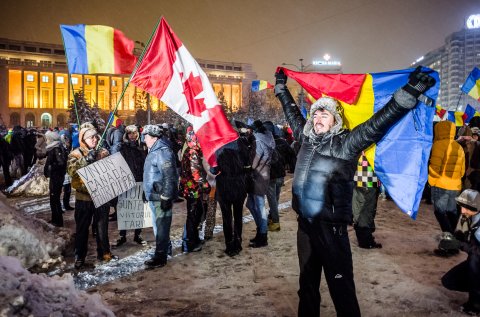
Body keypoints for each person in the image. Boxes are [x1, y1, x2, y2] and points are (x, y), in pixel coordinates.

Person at [274, 67, 435, 316]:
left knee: (342, 290)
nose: (318, 118)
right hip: (305, 226)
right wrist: (281, 89)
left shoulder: (345, 144)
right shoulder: (305, 139)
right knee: (306, 286)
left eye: (324, 114)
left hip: (332, 230)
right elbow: (292, 112)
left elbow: (376, 124)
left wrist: (408, 93)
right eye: (315, 114)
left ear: (335, 120)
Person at [67, 124, 117, 269]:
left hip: (102, 197)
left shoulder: (103, 152)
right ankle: (80, 258)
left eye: (96, 136)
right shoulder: (75, 154)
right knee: (82, 229)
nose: (94, 139)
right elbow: (72, 172)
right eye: (91, 137)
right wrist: (85, 160)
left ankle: (105, 253)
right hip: (84, 199)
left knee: (102, 228)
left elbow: (112, 172)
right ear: (83, 139)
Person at [142, 125, 178, 268]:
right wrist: (146, 191)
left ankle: (160, 257)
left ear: (154, 138)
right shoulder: (155, 150)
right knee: (159, 226)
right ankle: (163, 251)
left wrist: (165, 197)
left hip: (161, 196)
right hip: (155, 194)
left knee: (162, 228)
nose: (144, 139)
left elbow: (170, 176)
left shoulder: (162, 152)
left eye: (146, 137)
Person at [441, 189, 480, 315]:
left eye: (466, 208)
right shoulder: (469, 216)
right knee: (449, 280)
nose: (462, 211)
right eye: (462, 206)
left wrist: (460, 245)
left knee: (475, 262)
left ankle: (476, 305)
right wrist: (452, 239)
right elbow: (463, 237)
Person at [429, 120, 465, 253]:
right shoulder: (459, 147)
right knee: (451, 213)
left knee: (440, 212)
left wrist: (431, 182)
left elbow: (434, 168)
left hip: (441, 184)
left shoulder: (438, 145)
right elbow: (462, 171)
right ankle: (457, 242)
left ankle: (450, 242)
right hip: (455, 185)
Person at [116, 125, 147, 246]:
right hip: (126, 181)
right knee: (124, 208)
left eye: (134, 133)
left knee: (138, 208)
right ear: (126, 135)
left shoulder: (142, 146)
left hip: (139, 180)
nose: (132, 136)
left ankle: (137, 235)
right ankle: (122, 235)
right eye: (130, 134)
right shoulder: (122, 147)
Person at [180, 128, 210, 252]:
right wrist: (206, 185)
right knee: (193, 216)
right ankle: (188, 243)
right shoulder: (193, 152)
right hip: (193, 189)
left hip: (192, 188)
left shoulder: (191, 150)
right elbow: (196, 173)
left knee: (196, 215)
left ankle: (194, 239)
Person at [246, 120, 275, 248]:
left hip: (258, 176)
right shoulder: (268, 139)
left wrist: (248, 166)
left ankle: (262, 235)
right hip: (264, 174)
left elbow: (256, 160)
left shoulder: (258, 140)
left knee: (259, 205)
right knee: (252, 204)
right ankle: (260, 231)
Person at [352, 152, 382, 249]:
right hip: (367, 174)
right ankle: (365, 240)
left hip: (361, 173)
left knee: (361, 207)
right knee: (366, 209)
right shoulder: (369, 138)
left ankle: (365, 237)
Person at [44, 131, 67, 227]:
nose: (46, 140)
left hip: (56, 177)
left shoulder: (56, 148)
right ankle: (55, 219)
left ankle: (58, 221)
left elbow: (61, 163)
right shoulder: (54, 147)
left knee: (55, 199)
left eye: (47, 138)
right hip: (55, 176)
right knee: (53, 199)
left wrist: (50, 167)